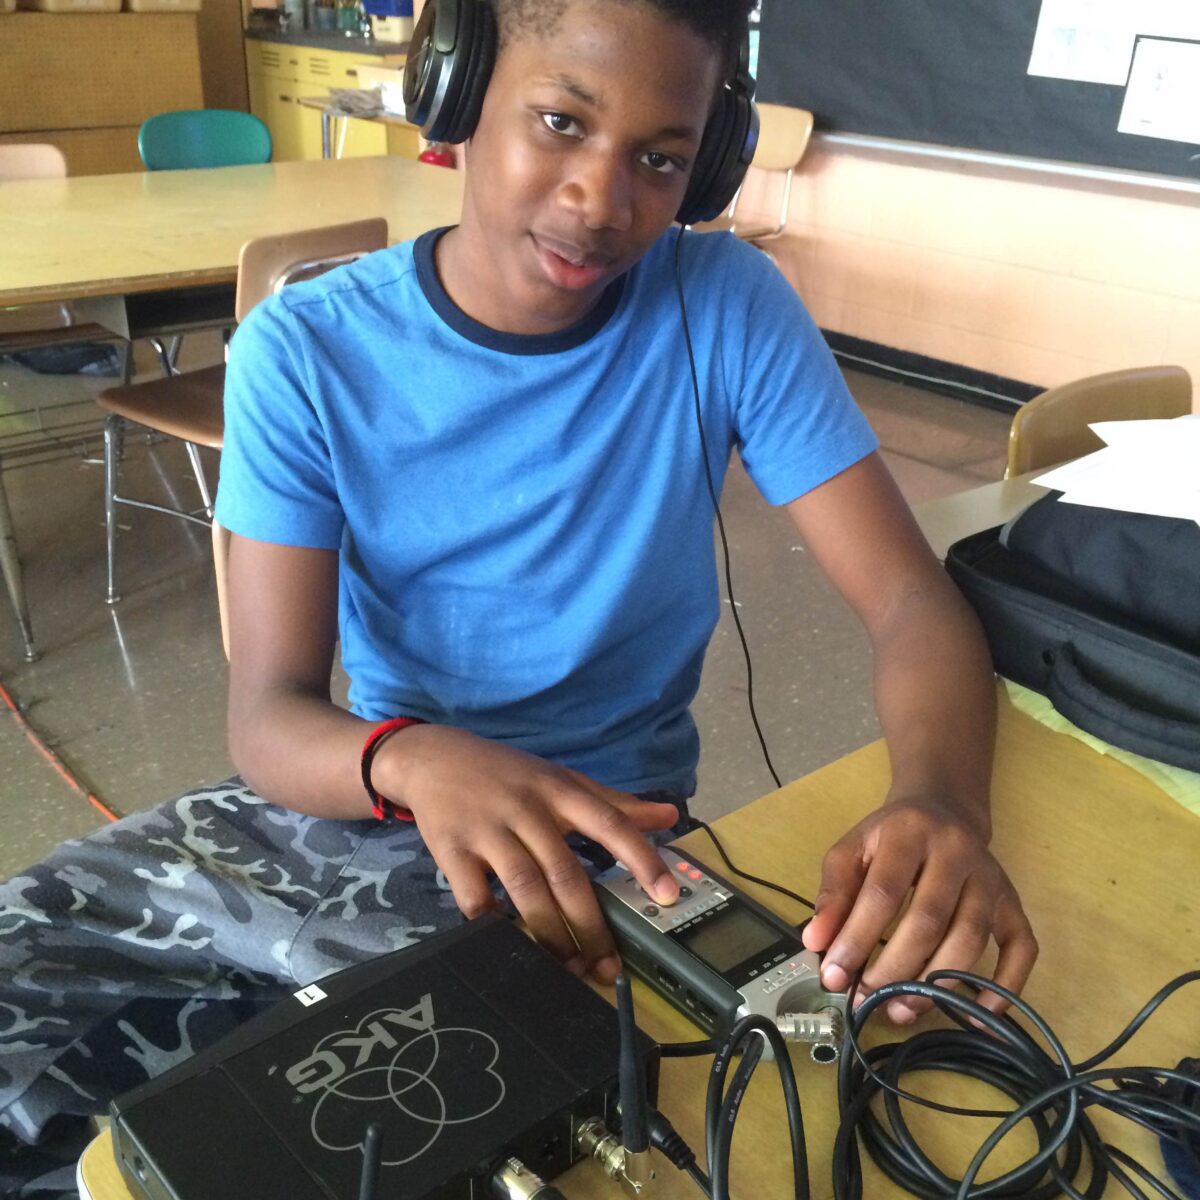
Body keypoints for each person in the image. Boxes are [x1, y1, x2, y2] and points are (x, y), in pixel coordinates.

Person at [0, 0, 1037, 1192]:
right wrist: (413, 759)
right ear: (456, 98)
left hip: (590, 849)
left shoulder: (729, 306)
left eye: (661, 159)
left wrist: (945, 800)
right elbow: (270, 718)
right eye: (560, 121)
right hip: (360, 796)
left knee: (357, 1139)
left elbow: (913, 604)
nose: (603, 202)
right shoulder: (307, 351)